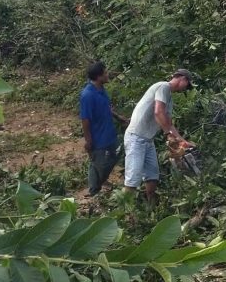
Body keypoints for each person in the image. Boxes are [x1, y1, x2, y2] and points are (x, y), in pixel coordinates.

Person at [123, 69, 193, 205]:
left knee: (152, 175)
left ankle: (151, 207)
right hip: (136, 137)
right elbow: (158, 112)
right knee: (133, 177)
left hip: (148, 140)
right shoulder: (163, 87)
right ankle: (125, 212)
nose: (185, 89)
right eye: (187, 84)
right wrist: (168, 135)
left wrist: (182, 141)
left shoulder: (169, 98)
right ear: (183, 79)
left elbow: (169, 123)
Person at [80, 61, 129, 196]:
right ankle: (94, 192)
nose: (107, 75)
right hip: (98, 138)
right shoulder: (88, 95)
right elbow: (85, 120)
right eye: (105, 73)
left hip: (109, 133)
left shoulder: (101, 90)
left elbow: (106, 108)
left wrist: (118, 117)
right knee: (96, 164)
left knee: (115, 156)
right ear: (98, 76)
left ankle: (102, 179)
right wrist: (89, 141)